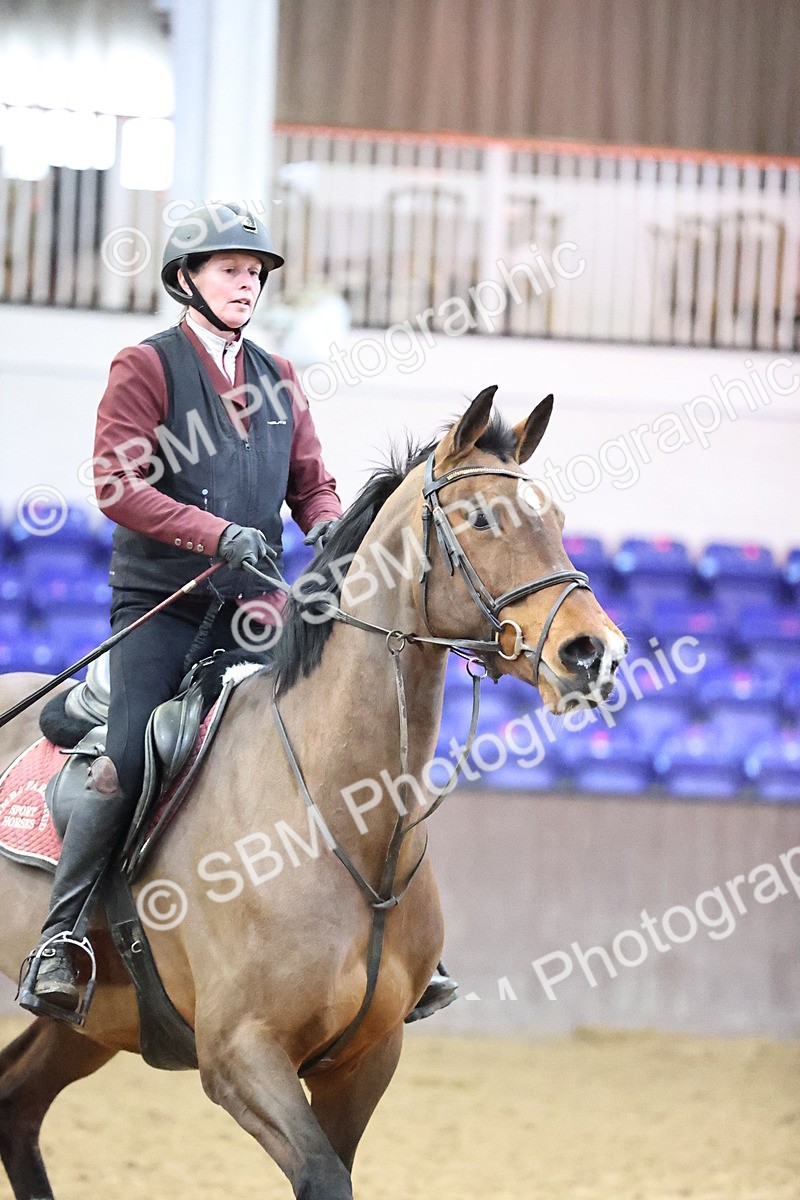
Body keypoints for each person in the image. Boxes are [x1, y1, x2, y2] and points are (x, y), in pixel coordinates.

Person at [20, 202, 456, 1024]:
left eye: (255, 273)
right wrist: (215, 534)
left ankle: (394, 942)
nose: (247, 283)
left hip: (256, 615)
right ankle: (64, 934)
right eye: (231, 269)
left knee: (340, 746)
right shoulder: (145, 366)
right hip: (163, 608)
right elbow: (118, 485)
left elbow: (311, 483)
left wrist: (330, 529)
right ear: (188, 278)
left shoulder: (279, 378)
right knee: (128, 754)